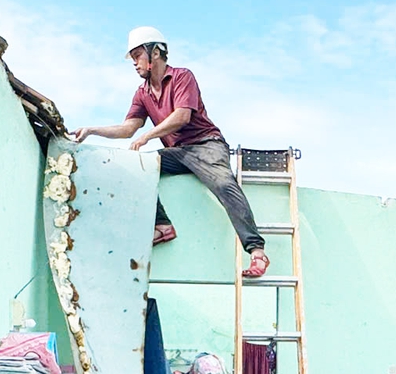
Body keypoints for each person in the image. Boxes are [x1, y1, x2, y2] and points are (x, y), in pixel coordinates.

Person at [73, 27, 271, 279]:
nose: (134, 63)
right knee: (138, 165)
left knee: (223, 184)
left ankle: (257, 251)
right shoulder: (141, 93)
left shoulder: (181, 76)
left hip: (206, 145)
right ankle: (162, 225)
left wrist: (147, 136)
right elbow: (128, 128)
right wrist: (92, 130)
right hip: (177, 153)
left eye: (137, 55)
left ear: (155, 52)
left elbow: (182, 116)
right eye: (132, 58)